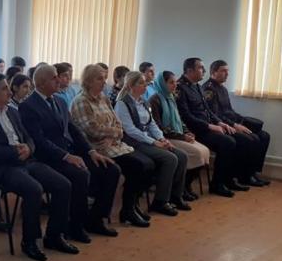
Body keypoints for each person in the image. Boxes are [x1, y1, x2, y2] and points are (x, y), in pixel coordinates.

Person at [0, 72, 79, 261]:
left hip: (25, 160)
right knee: (33, 189)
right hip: (0, 168)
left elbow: (29, 137)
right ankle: (30, 241)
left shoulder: (12, 111)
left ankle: (54, 236)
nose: (9, 92)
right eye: (4, 89)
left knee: (63, 184)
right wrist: (14, 152)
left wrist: (29, 148)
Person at [20, 65, 121, 239]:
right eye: (54, 78)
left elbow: (74, 130)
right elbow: (39, 141)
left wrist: (91, 151)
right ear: (42, 83)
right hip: (48, 157)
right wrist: (66, 156)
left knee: (111, 169)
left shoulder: (59, 101)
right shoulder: (28, 106)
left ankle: (95, 219)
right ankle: (73, 226)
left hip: (69, 152)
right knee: (80, 174)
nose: (58, 80)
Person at [70, 64, 154, 228]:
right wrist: (113, 133)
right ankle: (107, 215)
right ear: (88, 81)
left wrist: (112, 134)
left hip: (114, 145)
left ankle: (130, 207)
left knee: (147, 164)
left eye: (104, 78)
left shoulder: (104, 98)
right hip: (96, 148)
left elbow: (119, 125)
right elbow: (93, 130)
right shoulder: (81, 101)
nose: (104, 82)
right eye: (99, 79)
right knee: (134, 167)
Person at [114, 72, 189, 214]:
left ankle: (175, 196)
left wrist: (162, 139)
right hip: (134, 142)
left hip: (149, 140)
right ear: (131, 86)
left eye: (145, 83)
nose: (145, 85)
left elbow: (152, 124)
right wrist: (154, 142)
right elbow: (130, 130)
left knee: (182, 156)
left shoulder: (143, 101)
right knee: (170, 159)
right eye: (141, 83)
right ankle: (160, 201)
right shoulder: (122, 104)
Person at [176, 58, 248, 197]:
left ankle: (227, 180)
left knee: (235, 139)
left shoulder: (196, 86)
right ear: (189, 70)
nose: (204, 70)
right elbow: (185, 116)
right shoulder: (180, 87)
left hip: (206, 127)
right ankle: (217, 184)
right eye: (200, 68)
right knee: (227, 142)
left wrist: (219, 123)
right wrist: (209, 126)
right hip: (194, 130)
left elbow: (207, 110)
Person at [203, 60, 270, 186]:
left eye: (227, 71)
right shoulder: (209, 89)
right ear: (214, 72)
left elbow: (229, 111)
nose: (227, 74)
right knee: (251, 139)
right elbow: (215, 115)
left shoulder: (223, 89)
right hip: (220, 126)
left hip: (230, 122)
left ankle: (252, 172)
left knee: (264, 136)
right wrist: (234, 125)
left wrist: (242, 120)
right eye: (223, 71)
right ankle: (243, 176)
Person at [149, 71, 211, 201]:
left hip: (178, 134)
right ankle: (181, 189)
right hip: (166, 137)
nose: (175, 85)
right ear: (162, 83)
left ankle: (186, 185)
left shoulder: (171, 97)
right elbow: (159, 127)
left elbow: (180, 120)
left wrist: (186, 131)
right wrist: (182, 137)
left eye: (175, 82)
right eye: (171, 82)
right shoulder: (155, 100)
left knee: (205, 151)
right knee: (197, 154)